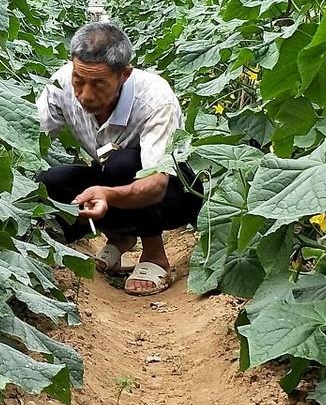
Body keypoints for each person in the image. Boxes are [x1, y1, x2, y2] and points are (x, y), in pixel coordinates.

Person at [36, 21, 202, 296]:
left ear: (124, 74)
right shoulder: (62, 83)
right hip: (110, 177)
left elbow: (157, 182)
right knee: (50, 181)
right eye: (79, 81)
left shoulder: (155, 99)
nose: (85, 95)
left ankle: (154, 255)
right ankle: (120, 238)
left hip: (173, 193)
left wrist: (108, 196)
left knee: (122, 164)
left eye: (99, 84)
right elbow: (27, 136)